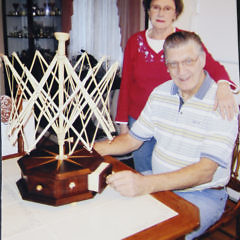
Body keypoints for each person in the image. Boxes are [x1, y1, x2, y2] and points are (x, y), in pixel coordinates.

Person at [94, 31, 238, 239]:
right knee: (106, 212)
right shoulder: (161, 92)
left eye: (188, 61)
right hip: (159, 181)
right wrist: (91, 148)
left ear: (203, 60)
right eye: (173, 64)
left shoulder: (222, 103)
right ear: (166, 66)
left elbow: (204, 172)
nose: (181, 71)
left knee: (156, 235)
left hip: (202, 194)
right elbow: (132, 140)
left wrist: (145, 184)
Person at [115, 0, 238, 173]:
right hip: (139, 118)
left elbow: (214, 67)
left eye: (167, 9)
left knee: (167, 170)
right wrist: (123, 125)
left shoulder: (186, 40)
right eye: (156, 8)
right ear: (148, 11)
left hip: (171, 121)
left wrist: (223, 88)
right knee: (143, 172)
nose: (161, 13)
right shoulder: (135, 42)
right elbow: (126, 83)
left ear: (175, 13)